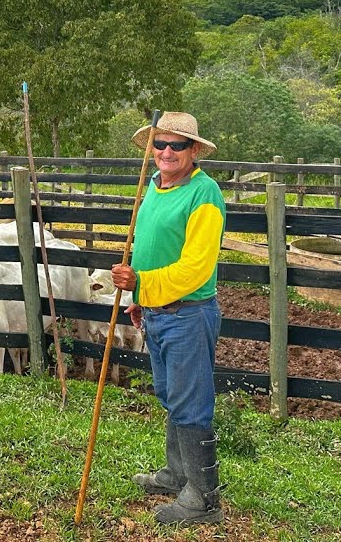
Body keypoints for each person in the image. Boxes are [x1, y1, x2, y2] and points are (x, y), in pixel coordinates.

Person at [110, 111, 226, 526]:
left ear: (193, 150)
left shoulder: (204, 194)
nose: (166, 151)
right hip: (158, 312)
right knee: (170, 395)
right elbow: (151, 245)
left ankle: (204, 499)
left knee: (191, 404)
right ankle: (177, 474)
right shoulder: (154, 189)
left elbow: (196, 267)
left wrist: (140, 282)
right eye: (160, 144)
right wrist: (141, 298)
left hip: (189, 313)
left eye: (177, 145)